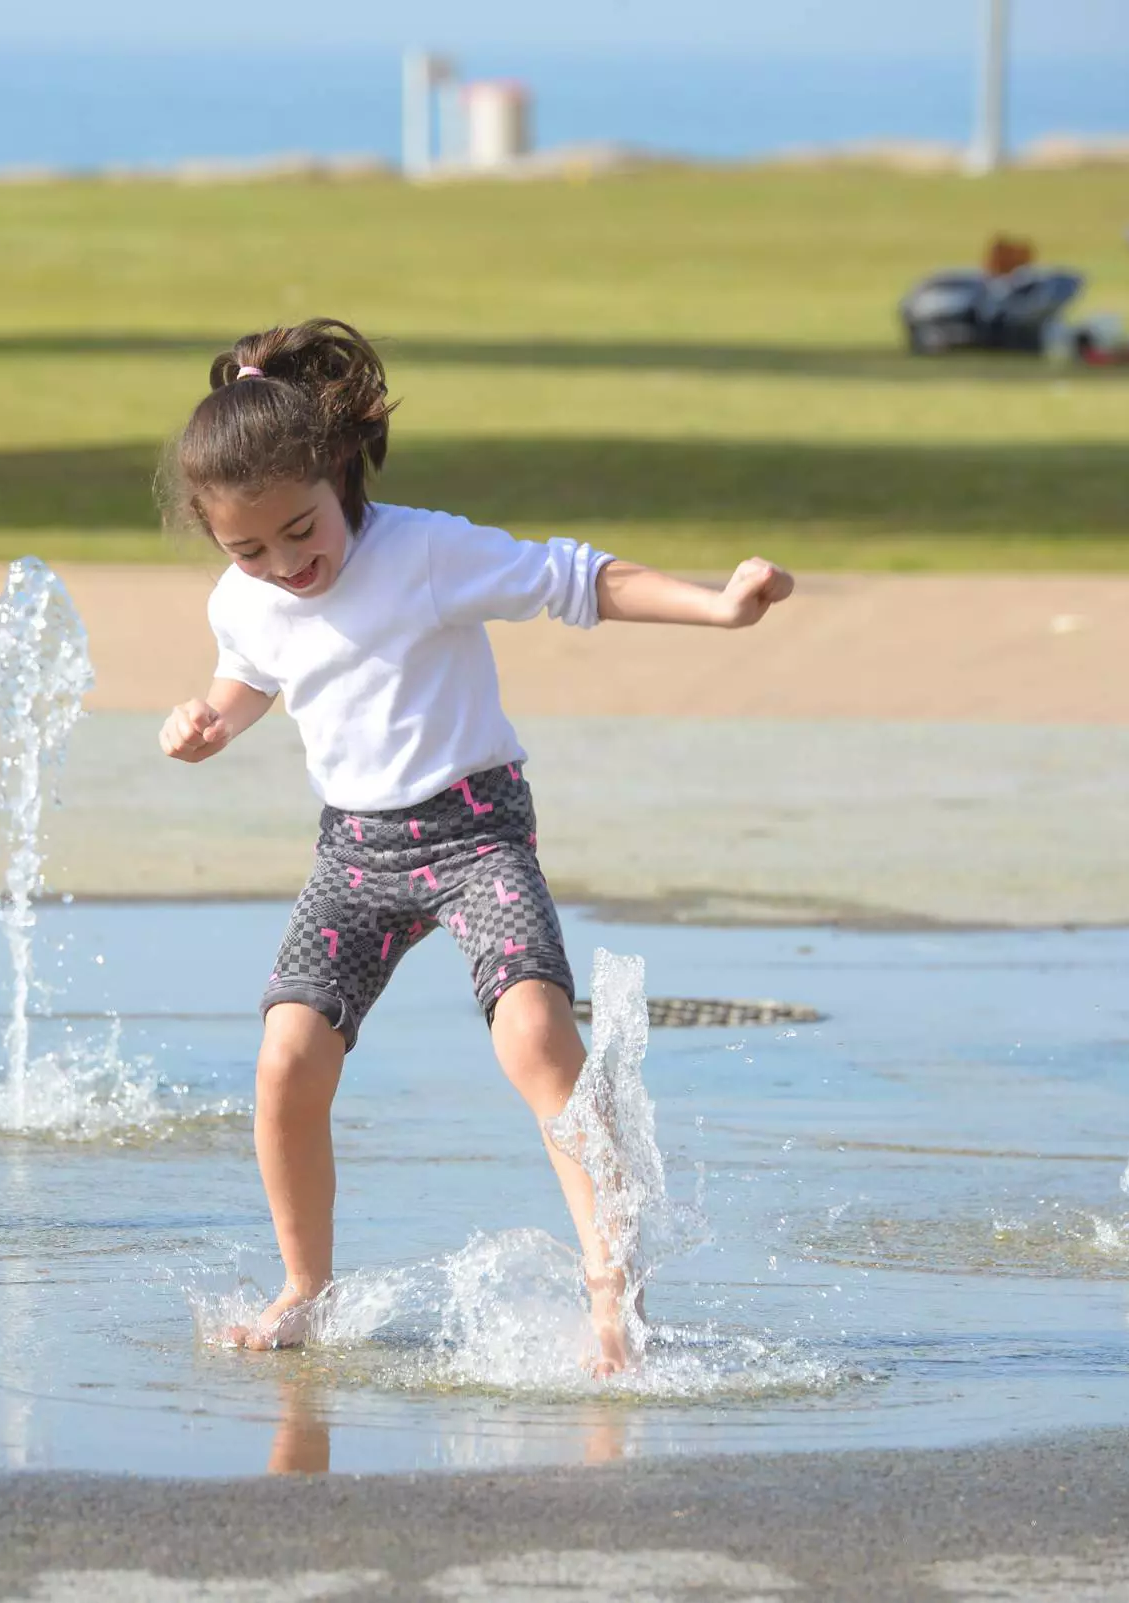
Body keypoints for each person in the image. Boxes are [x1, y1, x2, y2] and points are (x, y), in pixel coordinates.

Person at [155, 319, 794, 1372]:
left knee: (537, 1037)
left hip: (473, 830)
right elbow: (253, 669)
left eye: (301, 530)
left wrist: (718, 608)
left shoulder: (426, 554)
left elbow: (574, 578)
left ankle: (611, 1294)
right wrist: (212, 722)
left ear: (339, 471)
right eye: (250, 548)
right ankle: (304, 1287)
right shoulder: (247, 597)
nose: (285, 564)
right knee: (286, 1061)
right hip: (352, 854)